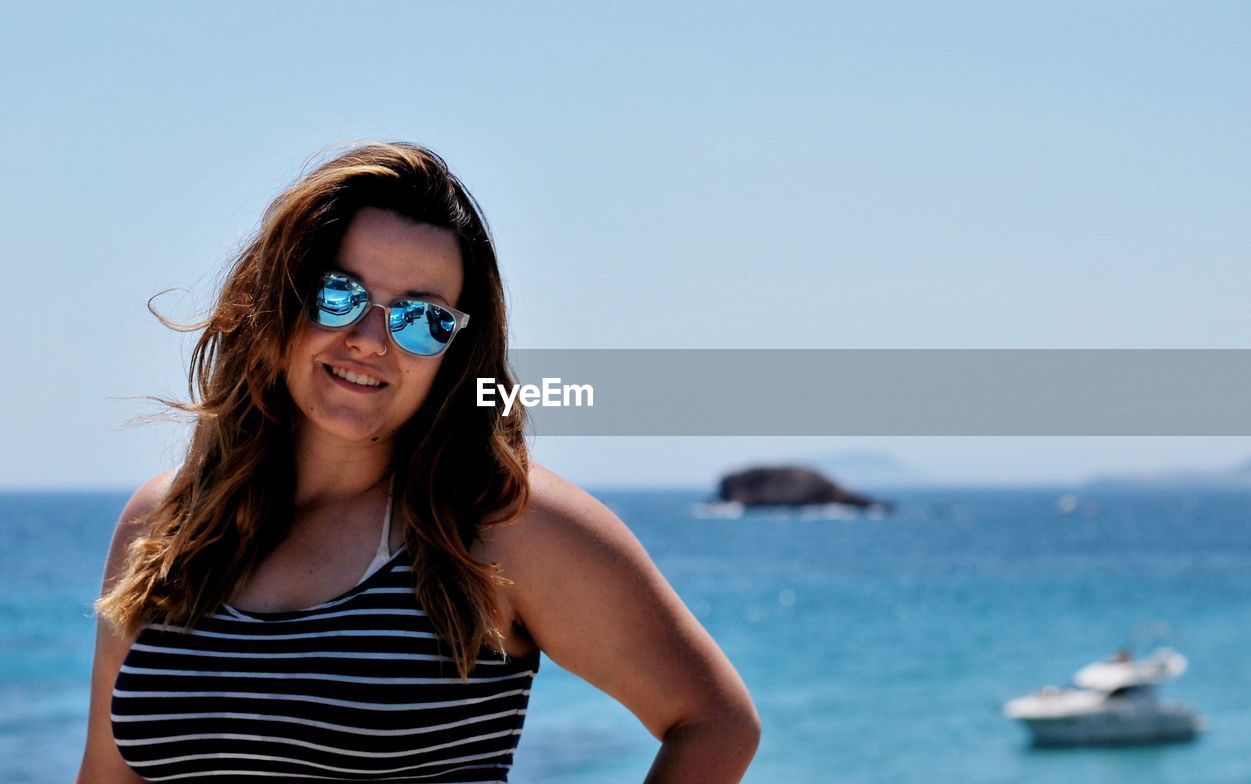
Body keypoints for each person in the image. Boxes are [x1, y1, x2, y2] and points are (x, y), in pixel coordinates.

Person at [76, 142, 760, 783]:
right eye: (337, 293)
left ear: (455, 353)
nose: (371, 340)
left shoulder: (500, 524)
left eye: (421, 319)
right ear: (277, 299)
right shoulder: (166, 522)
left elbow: (716, 722)